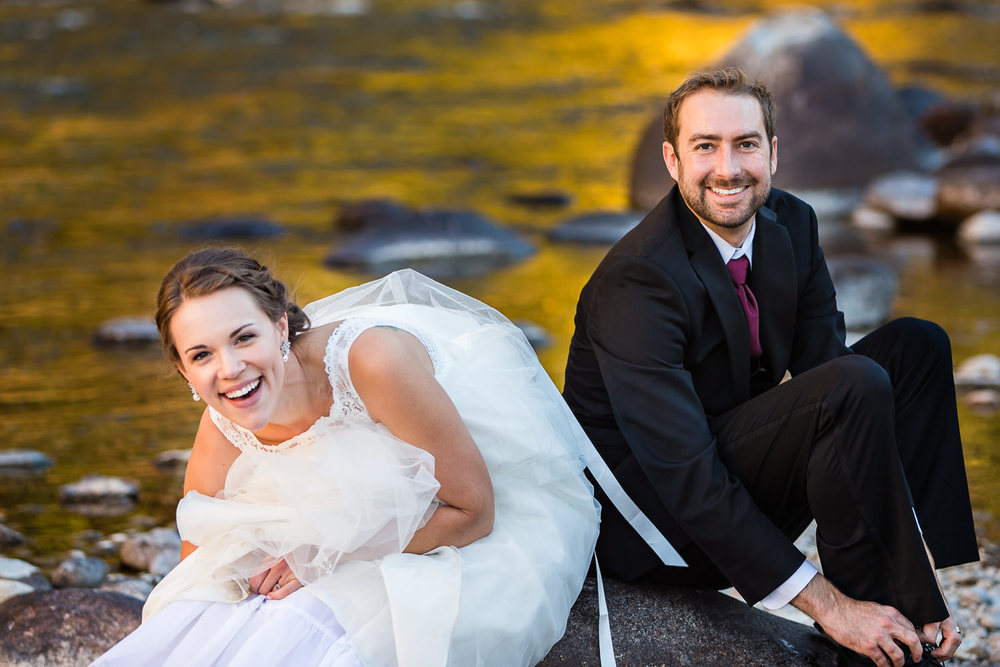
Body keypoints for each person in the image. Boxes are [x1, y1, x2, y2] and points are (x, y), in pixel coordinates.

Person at [562, 67, 979, 667]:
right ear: (672, 160)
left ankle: (909, 609)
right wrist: (830, 606)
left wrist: (916, 575)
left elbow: (840, 384)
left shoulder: (792, 225)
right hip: (652, 527)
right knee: (852, 385)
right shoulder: (638, 280)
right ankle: (872, 639)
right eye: (705, 146)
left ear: (774, 153)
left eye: (746, 144)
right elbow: (685, 473)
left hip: (728, 478)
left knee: (913, 349)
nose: (728, 168)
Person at [94, 247, 600, 666]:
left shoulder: (369, 361)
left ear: (280, 325)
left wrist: (320, 559)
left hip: (475, 512)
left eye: (243, 337)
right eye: (201, 355)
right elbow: (197, 563)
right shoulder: (222, 420)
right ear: (184, 371)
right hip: (350, 518)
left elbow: (474, 513)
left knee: (303, 628)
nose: (228, 369)